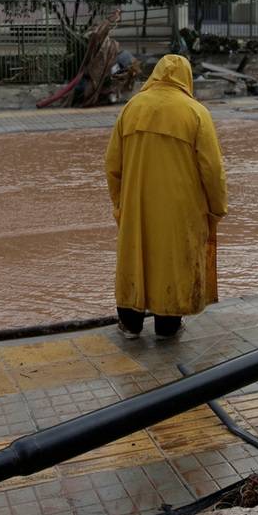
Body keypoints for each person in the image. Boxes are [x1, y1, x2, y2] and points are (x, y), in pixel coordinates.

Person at [105, 54, 228, 340]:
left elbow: (113, 165)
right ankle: (168, 325)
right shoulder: (196, 113)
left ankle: (131, 324)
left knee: (135, 258)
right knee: (172, 262)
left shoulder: (131, 108)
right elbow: (213, 170)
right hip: (180, 210)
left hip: (136, 208)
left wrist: (120, 205)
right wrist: (217, 209)